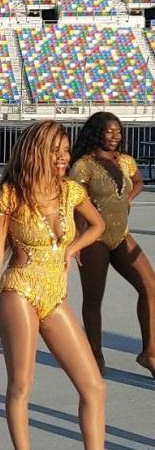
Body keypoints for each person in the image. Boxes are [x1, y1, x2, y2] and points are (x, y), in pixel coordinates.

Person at [0, 121, 140, 450]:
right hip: (18, 290)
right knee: (21, 386)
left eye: (66, 149)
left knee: (94, 387)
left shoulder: (71, 190)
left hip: (54, 295)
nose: (62, 157)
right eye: (55, 149)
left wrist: (70, 250)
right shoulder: (9, 194)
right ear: (36, 150)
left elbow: (100, 225)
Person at [69, 112, 155, 377]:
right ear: (97, 133)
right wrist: (76, 240)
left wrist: (128, 196)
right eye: (109, 131)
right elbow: (71, 200)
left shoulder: (126, 161)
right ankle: (95, 354)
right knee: (94, 300)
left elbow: (138, 180)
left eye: (118, 131)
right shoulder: (84, 165)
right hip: (94, 239)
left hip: (122, 236)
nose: (115, 136)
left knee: (150, 287)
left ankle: (149, 352)